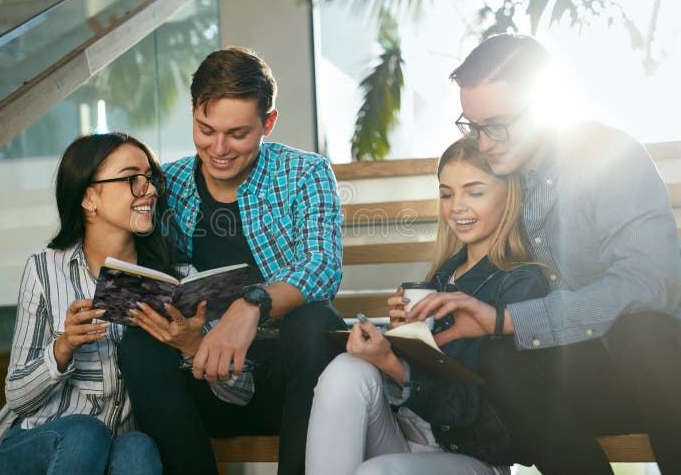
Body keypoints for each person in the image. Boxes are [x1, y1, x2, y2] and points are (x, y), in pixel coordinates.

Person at [409, 33, 681, 474]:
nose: (485, 140)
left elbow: (650, 286)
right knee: (501, 357)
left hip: (651, 373)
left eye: (496, 124)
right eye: (472, 126)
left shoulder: (608, 155)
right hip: (571, 385)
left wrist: (507, 320)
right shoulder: (503, 180)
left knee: (641, 333)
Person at [117, 46, 346, 475]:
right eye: (205, 129)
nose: (218, 149)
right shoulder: (168, 185)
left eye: (238, 134)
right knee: (138, 346)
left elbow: (322, 266)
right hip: (199, 376)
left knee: (316, 322)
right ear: (192, 111)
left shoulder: (305, 173)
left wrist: (252, 305)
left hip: (288, 380)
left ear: (268, 123)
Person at [306, 137, 549, 474]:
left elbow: (472, 408)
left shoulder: (522, 284)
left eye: (474, 192)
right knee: (346, 369)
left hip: (472, 455)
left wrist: (396, 366)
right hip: (407, 434)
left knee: (373, 474)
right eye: (447, 194)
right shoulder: (442, 275)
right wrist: (400, 338)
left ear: (509, 193)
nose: (457, 206)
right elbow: (428, 368)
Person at [0, 133, 165, 475]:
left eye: (150, 178)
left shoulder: (169, 279)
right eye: (132, 178)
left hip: (119, 446)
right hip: (38, 443)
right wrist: (63, 347)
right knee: (86, 433)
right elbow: (16, 397)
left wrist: (190, 344)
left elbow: (237, 391)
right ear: (89, 198)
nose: (149, 189)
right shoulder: (44, 270)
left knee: (139, 447)